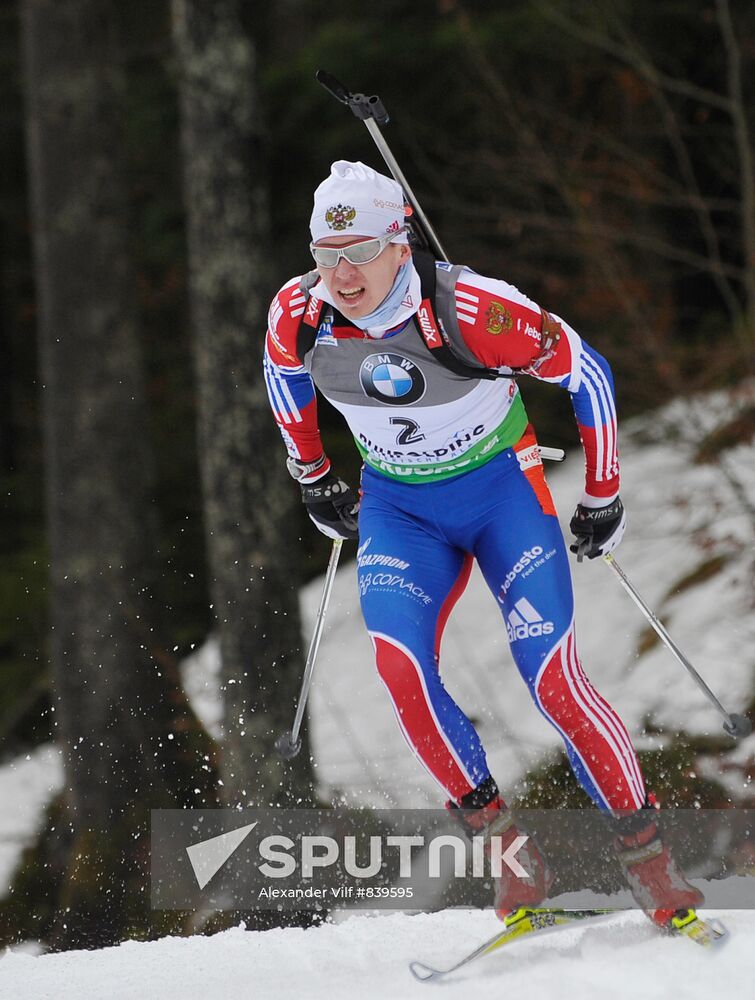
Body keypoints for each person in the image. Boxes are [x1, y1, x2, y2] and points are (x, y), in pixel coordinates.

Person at [264, 160, 702, 926]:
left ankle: (649, 864)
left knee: (551, 680)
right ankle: (507, 853)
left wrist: (602, 493)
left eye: (358, 252)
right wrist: (312, 474)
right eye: (324, 256)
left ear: (398, 244)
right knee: (399, 668)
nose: (340, 274)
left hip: (501, 496)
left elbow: (587, 375)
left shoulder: (471, 307)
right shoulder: (300, 312)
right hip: (401, 510)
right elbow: (281, 375)